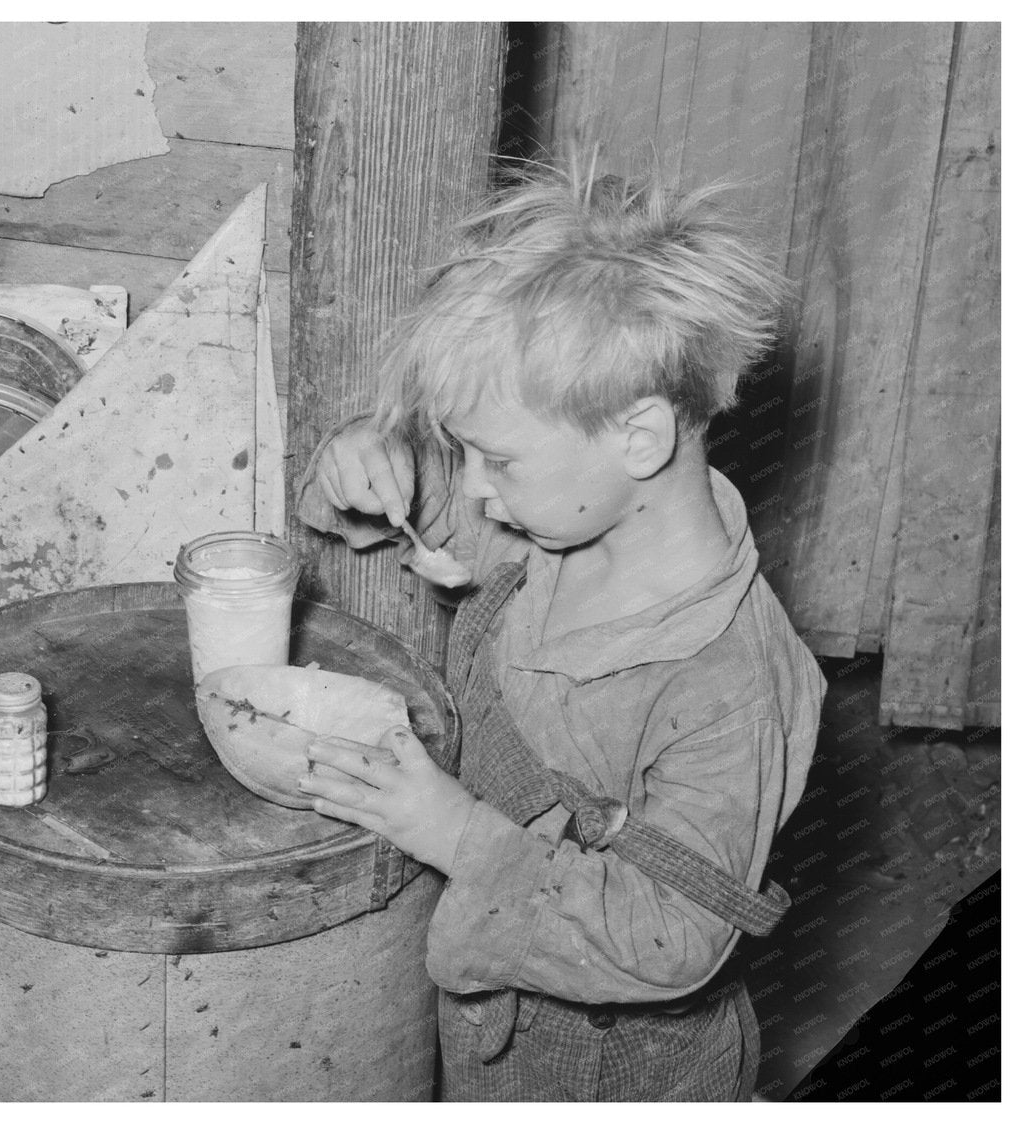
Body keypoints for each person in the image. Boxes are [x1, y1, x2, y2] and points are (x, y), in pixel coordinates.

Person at [293, 157, 825, 1101]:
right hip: (498, 1029)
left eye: (494, 458)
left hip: (619, 1069)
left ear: (642, 438)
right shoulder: (559, 516)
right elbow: (410, 501)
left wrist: (455, 833)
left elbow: (671, 938)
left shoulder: (731, 684)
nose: (476, 491)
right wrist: (357, 461)